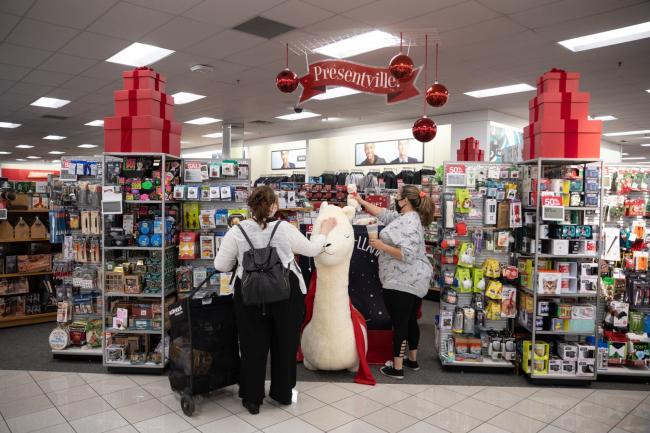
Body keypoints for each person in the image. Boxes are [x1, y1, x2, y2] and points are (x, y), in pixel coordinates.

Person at [214, 185, 337, 414]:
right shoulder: (284, 229)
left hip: (249, 295)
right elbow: (311, 249)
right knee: (285, 344)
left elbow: (220, 265)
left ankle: (252, 398)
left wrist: (242, 262)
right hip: (286, 293)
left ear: (249, 206)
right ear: (274, 206)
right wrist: (325, 231)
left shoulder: (236, 231)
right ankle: (282, 394)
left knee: (252, 346)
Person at [354, 185, 433, 379]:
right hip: (415, 279)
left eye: (397, 196)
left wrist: (381, 245)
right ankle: (412, 360)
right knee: (410, 320)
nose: (395, 199)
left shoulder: (409, 223)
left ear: (405, 200)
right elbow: (385, 215)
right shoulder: (408, 218)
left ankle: (397, 368)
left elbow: (406, 254)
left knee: (400, 324)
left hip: (402, 279)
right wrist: (362, 201)